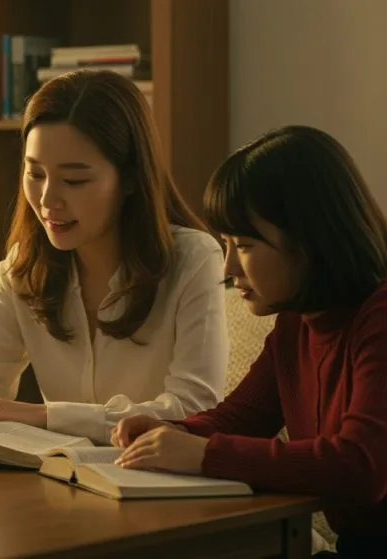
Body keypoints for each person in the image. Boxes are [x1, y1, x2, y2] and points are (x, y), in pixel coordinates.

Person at [0, 70, 228, 444]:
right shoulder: (22, 268)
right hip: (62, 482)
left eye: (74, 181)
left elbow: (194, 409)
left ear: (129, 180)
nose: (47, 200)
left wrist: (48, 417)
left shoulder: (193, 259)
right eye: (35, 174)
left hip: (157, 482)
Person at [112, 125, 387, 557]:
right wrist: (170, 432)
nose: (227, 268)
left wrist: (203, 455)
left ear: (310, 241)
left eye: (243, 245)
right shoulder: (296, 324)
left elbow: (361, 466)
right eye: (225, 243)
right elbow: (241, 416)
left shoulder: (380, 317)